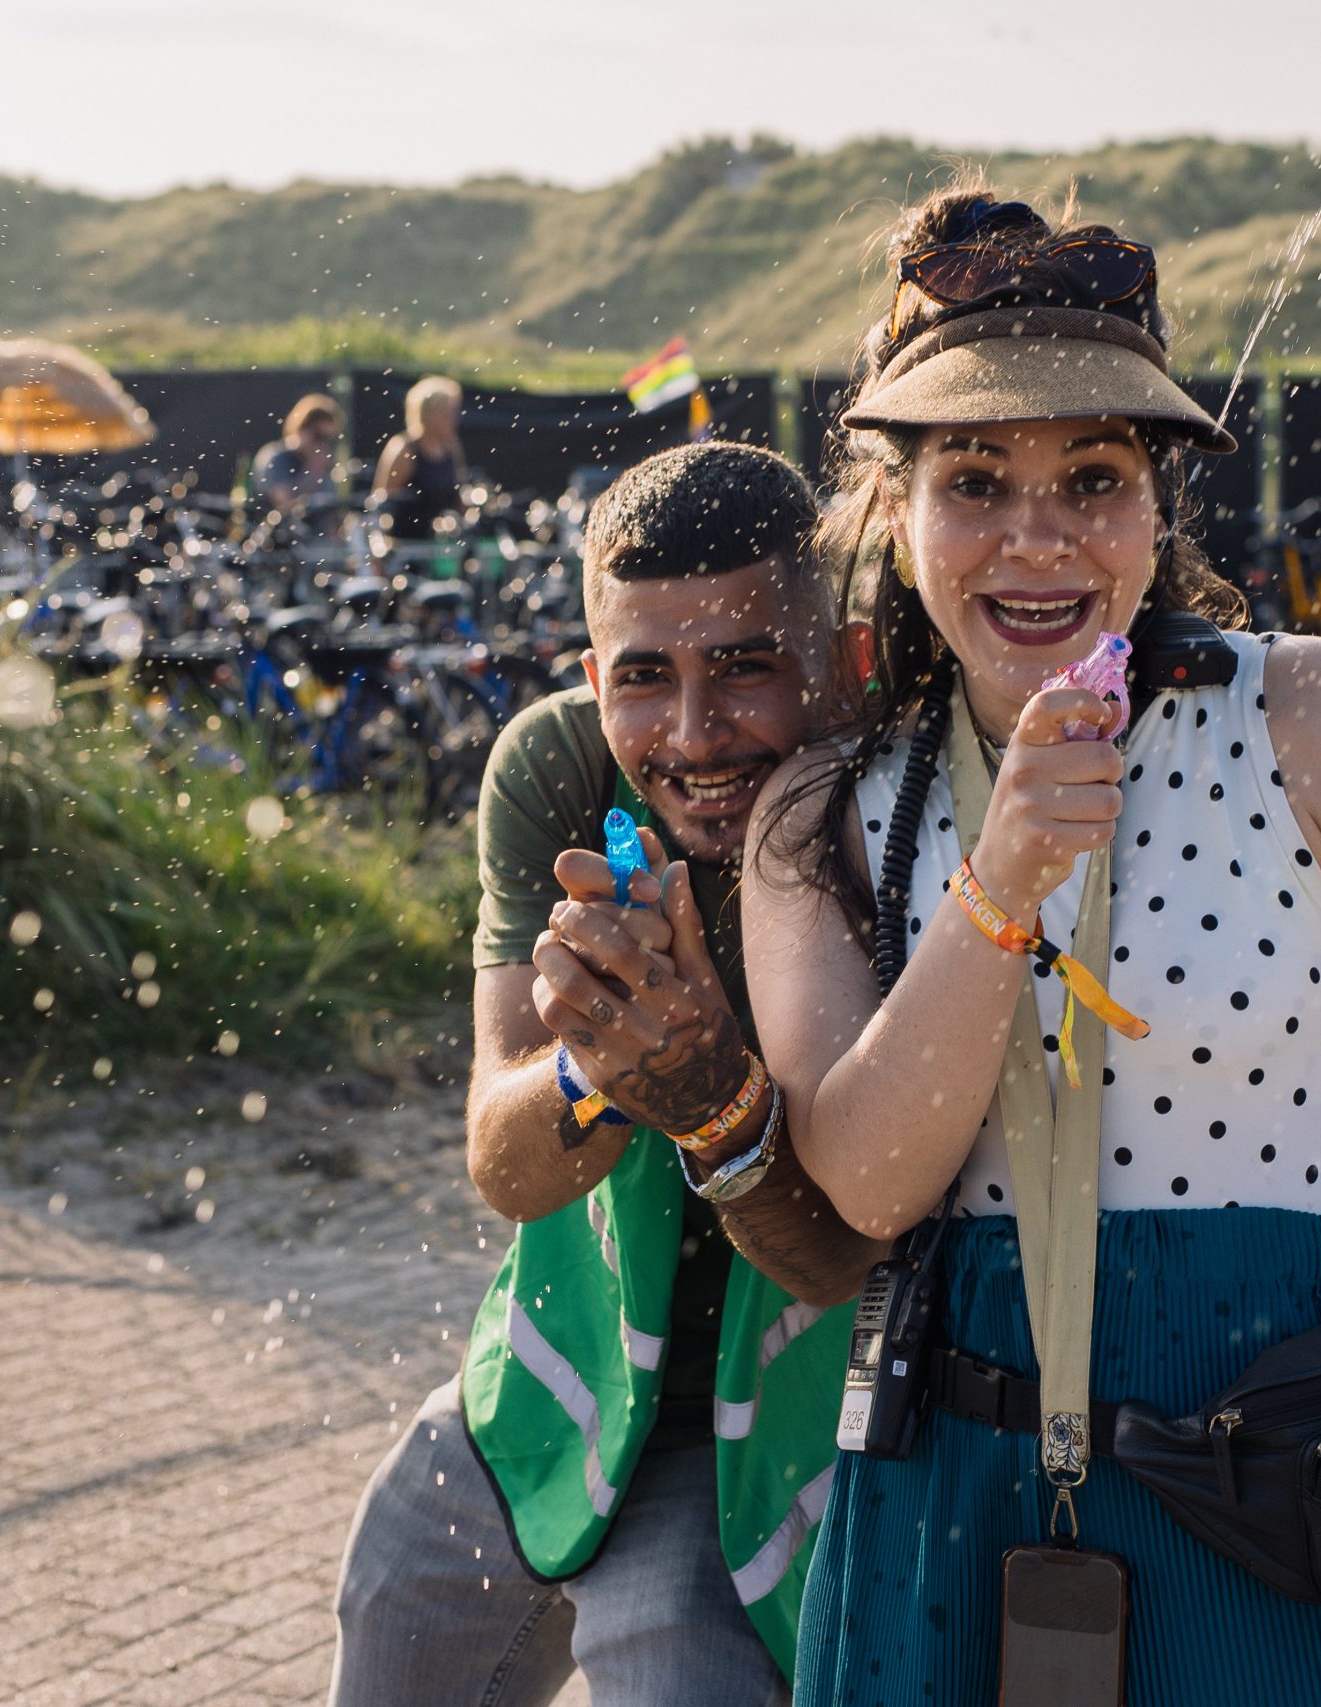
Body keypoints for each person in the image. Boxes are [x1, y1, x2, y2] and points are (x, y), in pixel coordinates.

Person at [743, 188, 1321, 1707]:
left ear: (1159, 507)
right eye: (975, 478)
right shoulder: (830, 805)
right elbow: (867, 1177)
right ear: (896, 516)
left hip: (1300, 1500)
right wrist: (1008, 868)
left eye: (1093, 475)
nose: (1036, 537)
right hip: (944, 1516)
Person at [328, 442, 888, 1707]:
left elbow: (839, 1253)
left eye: (746, 664)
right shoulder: (561, 771)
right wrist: (600, 1062)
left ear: (841, 665)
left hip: (772, 1416)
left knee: (666, 1660)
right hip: (553, 1373)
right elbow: (502, 1162)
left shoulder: (891, 808)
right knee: (392, 1607)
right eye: (645, 678)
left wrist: (713, 1098)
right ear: (593, 679)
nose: (692, 734)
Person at [370, 373, 472, 539]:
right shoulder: (404, 449)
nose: (455, 419)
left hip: (441, 547)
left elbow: (459, 495)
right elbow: (382, 503)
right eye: (447, 413)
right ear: (428, 414)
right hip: (405, 546)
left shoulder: (452, 447)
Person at [252, 392, 342, 520]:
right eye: (318, 436)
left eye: (328, 438)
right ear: (302, 430)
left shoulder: (322, 464)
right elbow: (284, 505)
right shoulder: (277, 457)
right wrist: (313, 473)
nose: (322, 445)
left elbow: (329, 514)